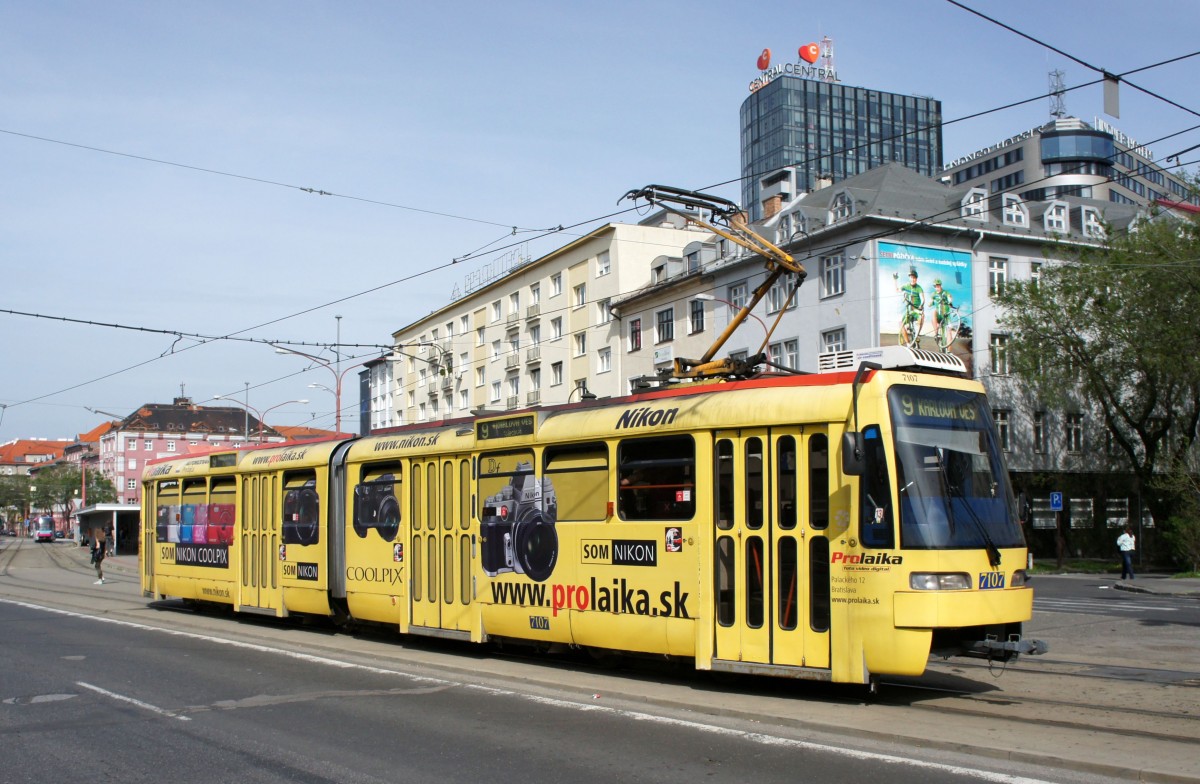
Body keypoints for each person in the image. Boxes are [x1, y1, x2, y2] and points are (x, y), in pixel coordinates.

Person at [893, 268, 924, 346]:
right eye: (911, 277)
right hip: (908, 311)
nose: (912, 279)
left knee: (922, 317)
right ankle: (908, 343)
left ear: (916, 279)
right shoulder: (906, 286)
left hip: (916, 310)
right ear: (909, 278)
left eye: (914, 278)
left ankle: (917, 335)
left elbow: (923, 299)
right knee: (900, 324)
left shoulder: (919, 288)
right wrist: (895, 280)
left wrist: (921, 305)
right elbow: (897, 290)